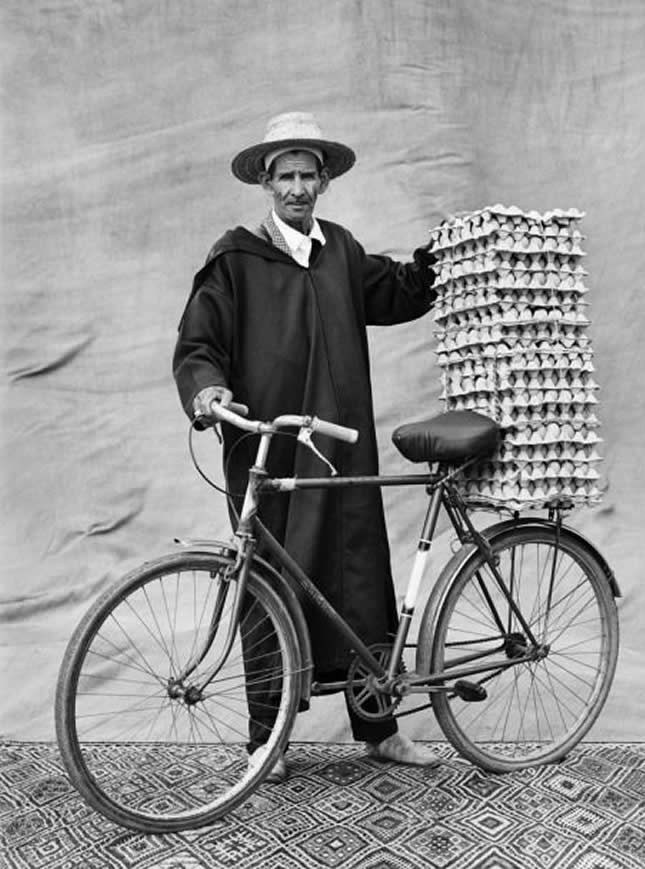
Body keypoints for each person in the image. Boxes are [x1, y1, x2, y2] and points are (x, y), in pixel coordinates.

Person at [173, 112, 438, 781]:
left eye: (307, 175)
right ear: (266, 181)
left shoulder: (342, 251)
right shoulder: (235, 259)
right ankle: (270, 737)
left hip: (345, 452)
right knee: (267, 585)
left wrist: (442, 258)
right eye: (284, 175)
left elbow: (402, 290)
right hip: (275, 455)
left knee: (359, 581)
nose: (296, 187)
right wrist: (207, 393)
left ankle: (378, 728)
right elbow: (199, 346)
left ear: (324, 181)